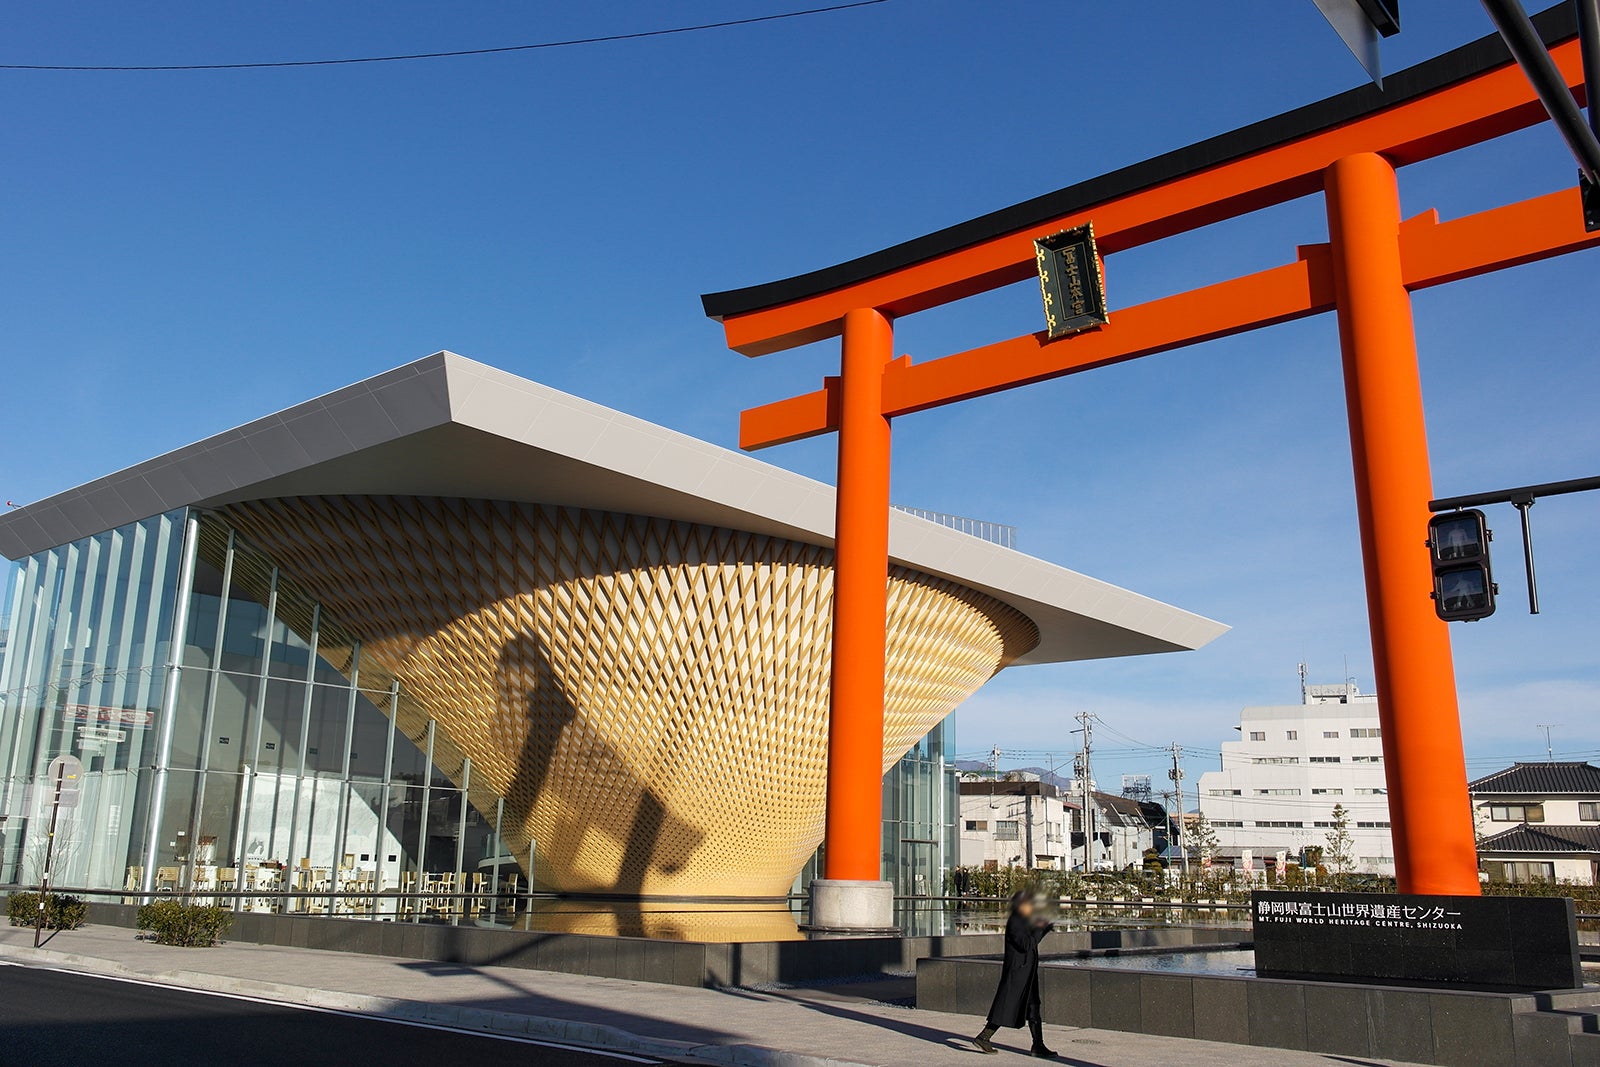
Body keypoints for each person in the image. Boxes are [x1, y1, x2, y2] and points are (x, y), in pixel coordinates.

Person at [972, 890, 1055, 1057]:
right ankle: (984, 1037)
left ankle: (1038, 1045)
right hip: (1017, 973)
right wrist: (1041, 930)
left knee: (1033, 1007)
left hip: (1027, 972)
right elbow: (1026, 944)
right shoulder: (1016, 922)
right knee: (1007, 1006)